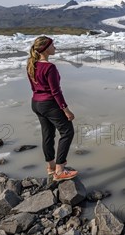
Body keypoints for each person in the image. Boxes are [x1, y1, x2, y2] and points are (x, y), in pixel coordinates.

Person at [27, 36, 78, 181]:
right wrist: (66, 109)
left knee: (47, 134)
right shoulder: (50, 67)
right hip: (49, 104)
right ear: (45, 48)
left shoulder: (32, 64)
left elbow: (33, 87)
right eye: (52, 45)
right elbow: (55, 91)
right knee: (67, 132)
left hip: (36, 103)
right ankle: (60, 170)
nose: (55, 47)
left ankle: (51, 167)